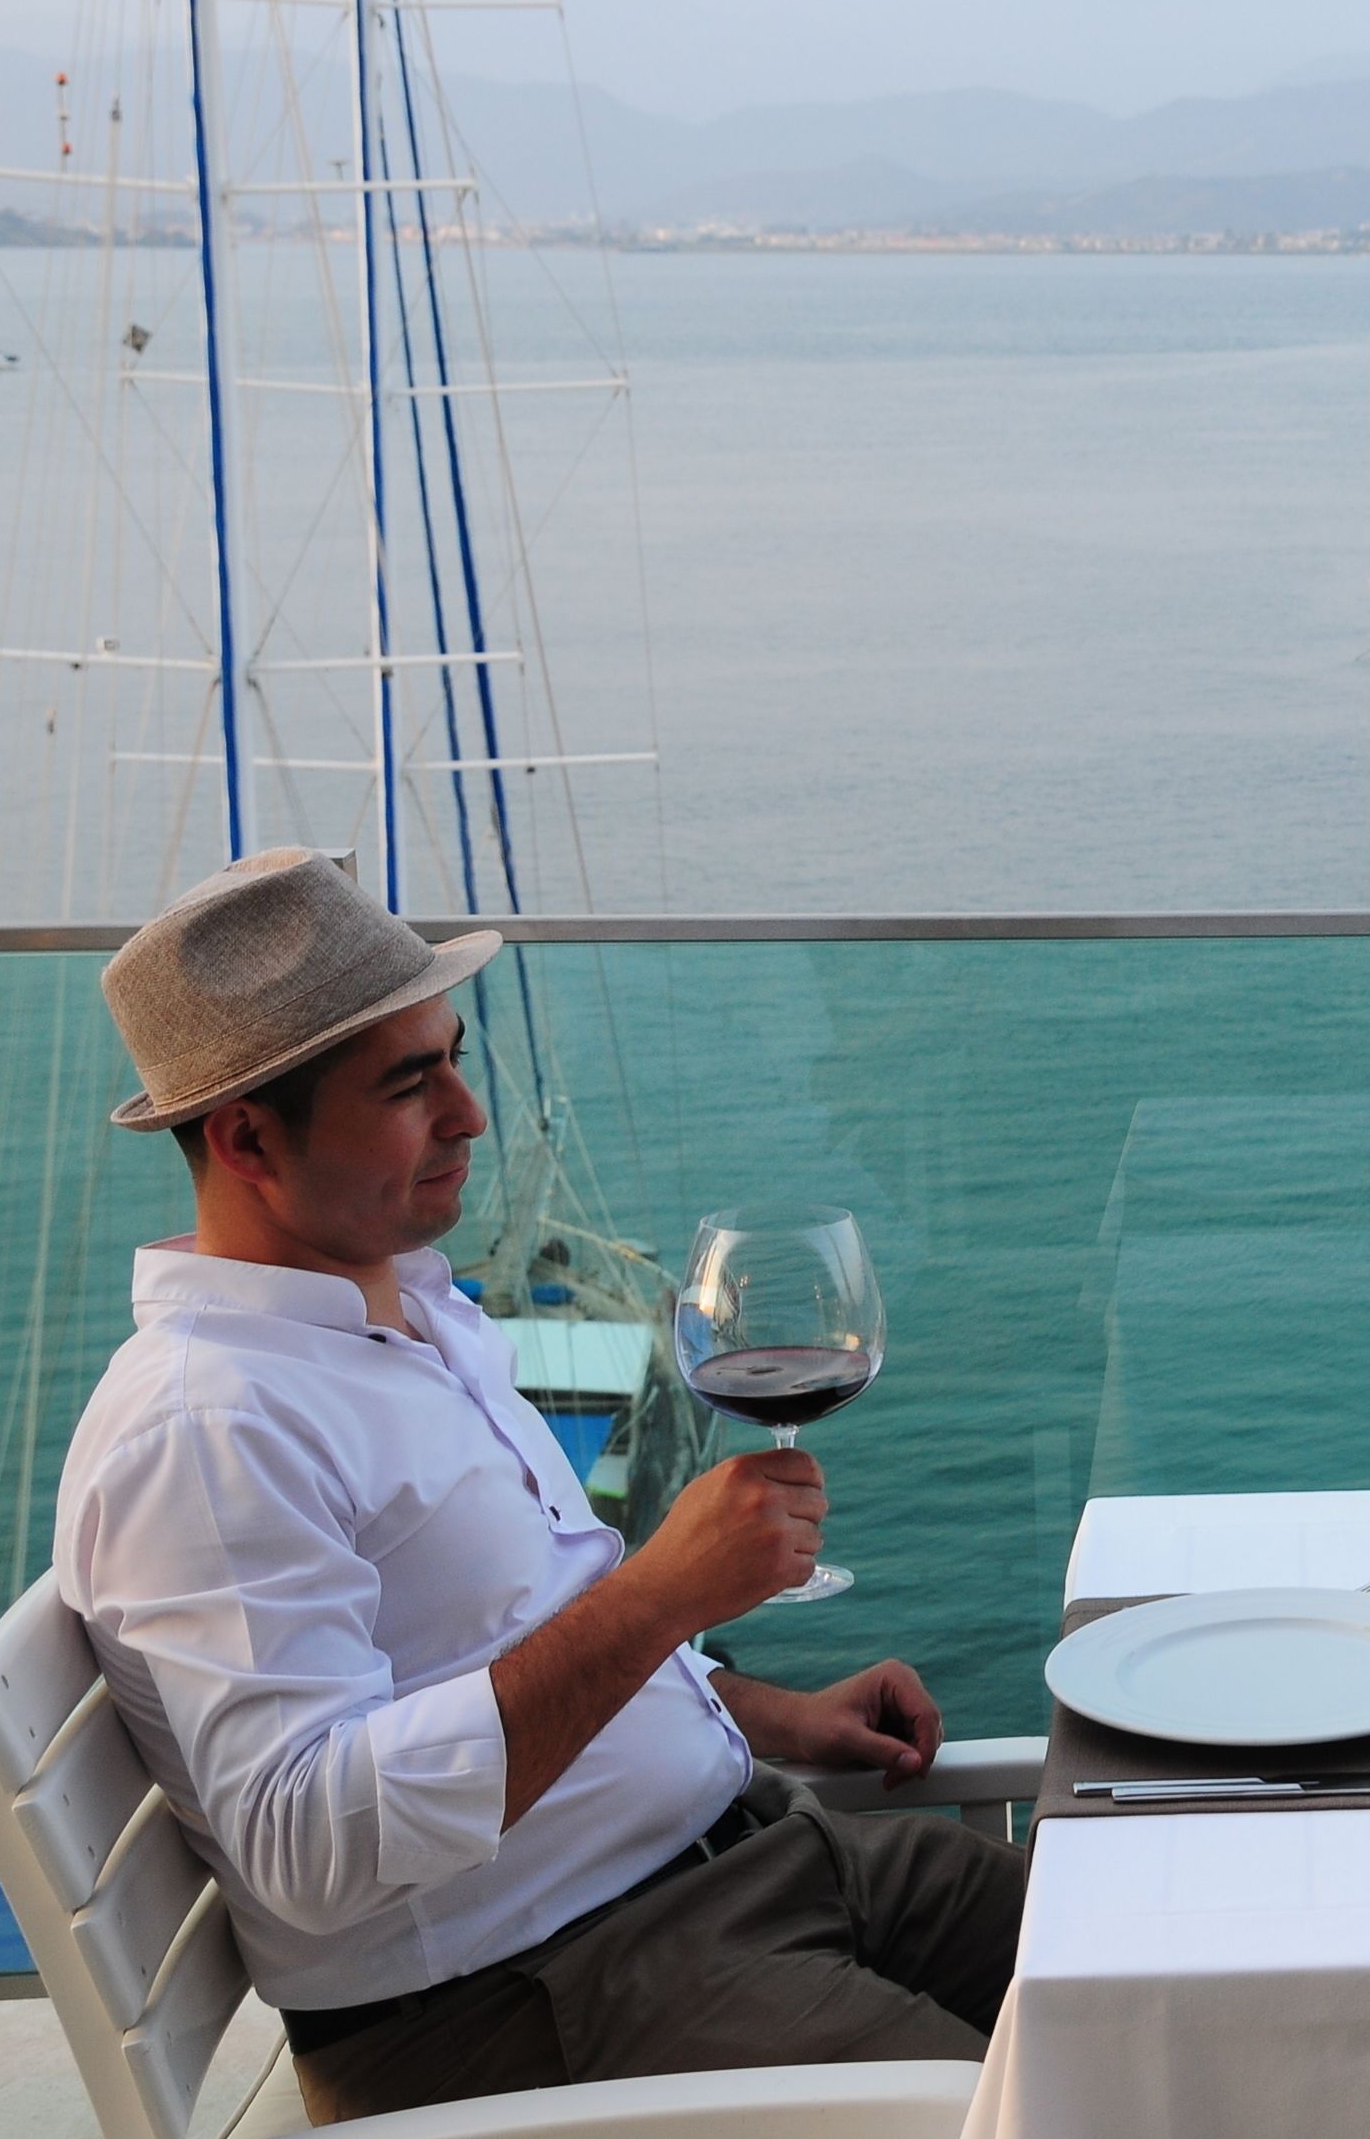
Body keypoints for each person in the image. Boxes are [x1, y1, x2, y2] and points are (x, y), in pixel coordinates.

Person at [55, 849, 1026, 2122]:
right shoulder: (207, 1428)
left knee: (1157, 1960)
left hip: (745, 1855)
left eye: (453, 1058)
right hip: (536, 1992)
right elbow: (307, 1841)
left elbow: (495, 1640)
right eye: (411, 1084)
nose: (468, 1113)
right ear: (245, 1136)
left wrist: (764, 1712)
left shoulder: (403, 1314)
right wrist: (663, 1596)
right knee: (1041, 2100)